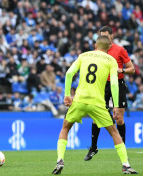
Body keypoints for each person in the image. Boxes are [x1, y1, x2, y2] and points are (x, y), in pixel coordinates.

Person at [52, 36, 138, 175]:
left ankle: (60, 160)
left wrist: (67, 95)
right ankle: (126, 165)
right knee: (114, 132)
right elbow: (114, 84)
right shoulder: (111, 60)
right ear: (109, 47)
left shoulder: (83, 56)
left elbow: (69, 73)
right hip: (97, 102)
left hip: (79, 100)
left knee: (65, 128)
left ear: (96, 45)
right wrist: (115, 105)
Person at [84, 26, 135, 161]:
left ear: (112, 36)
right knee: (96, 118)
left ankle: (122, 150)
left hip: (117, 84)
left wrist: (120, 70)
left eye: (106, 36)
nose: (104, 39)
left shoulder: (120, 50)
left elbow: (132, 69)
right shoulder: (97, 51)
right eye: (101, 36)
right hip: (102, 86)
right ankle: (93, 148)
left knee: (118, 117)